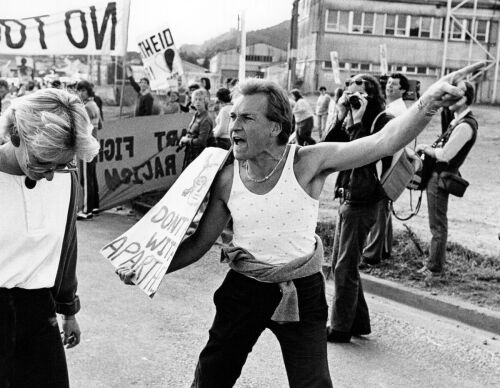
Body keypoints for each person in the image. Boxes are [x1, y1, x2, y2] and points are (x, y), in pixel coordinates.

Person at [116, 63, 482, 387]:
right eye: (233, 116)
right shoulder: (227, 178)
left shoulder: (307, 163)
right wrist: (150, 267)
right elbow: (198, 245)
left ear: (276, 126)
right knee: (212, 376)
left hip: (301, 290)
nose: (233, 126)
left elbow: (383, 142)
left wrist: (429, 102)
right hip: (244, 288)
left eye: (246, 118)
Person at [0, 88, 99, 387]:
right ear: (16, 134)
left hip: (39, 312)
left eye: (62, 163)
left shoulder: (66, 179)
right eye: (43, 162)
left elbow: (66, 249)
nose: (51, 175)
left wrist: (68, 310)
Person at [323, 74, 394, 343]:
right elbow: (327, 144)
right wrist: (342, 113)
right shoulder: (350, 115)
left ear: (372, 96)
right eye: (350, 94)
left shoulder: (382, 122)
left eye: (359, 96)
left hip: (365, 199)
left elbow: (363, 152)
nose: (354, 99)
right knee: (344, 262)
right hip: (348, 196)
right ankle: (359, 322)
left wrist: (360, 120)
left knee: (344, 265)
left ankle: (340, 328)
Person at [415, 80, 478, 281]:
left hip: (440, 176)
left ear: (466, 98)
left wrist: (426, 148)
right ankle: (435, 265)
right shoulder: (457, 121)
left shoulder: (465, 126)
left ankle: (435, 268)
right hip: (439, 176)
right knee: (437, 223)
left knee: (438, 224)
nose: (449, 98)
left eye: (455, 94)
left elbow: (445, 154)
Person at [360, 73, 409, 269]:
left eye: (395, 85)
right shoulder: (391, 108)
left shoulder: (397, 110)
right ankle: (383, 249)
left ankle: (372, 254)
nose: (390, 87)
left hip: (389, 161)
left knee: (380, 208)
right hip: (388, 160)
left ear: (403, 90)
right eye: (388, 84)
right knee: (383, 208)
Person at [76, 80, 101, 220]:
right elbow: (100, 124)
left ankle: (86, 210)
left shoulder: (86, 107)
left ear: (87, 91)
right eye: (79, 90)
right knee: (92, 177)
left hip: (86, 146)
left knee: (85, 179)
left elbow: (80, 128)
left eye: (82, 90)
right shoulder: (95, 105)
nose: (80, 93)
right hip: (94, 143)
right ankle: (94, 206)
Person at [179, 88, 214, 169]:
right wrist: (184, 139)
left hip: (199, 155)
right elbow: (190, 132)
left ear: (205, 101)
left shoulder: (206, 119)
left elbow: (201, 141)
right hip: (191, 152)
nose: (197, 102)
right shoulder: (196, 115)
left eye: (200, 99)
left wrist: (187, 140)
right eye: (195, 99)